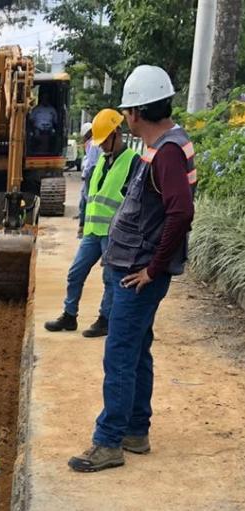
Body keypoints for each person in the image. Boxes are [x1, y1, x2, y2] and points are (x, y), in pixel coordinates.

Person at [69, 65, 196, 472]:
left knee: (120, 354)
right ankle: (135, 431)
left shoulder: (169, 151)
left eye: (127, 111)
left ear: (137, 112)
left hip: (138, 275)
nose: (125, 117)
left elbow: (180, 212)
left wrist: (153, 268)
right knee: (137, 351)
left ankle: (108, 442)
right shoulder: (159, 147)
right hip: (132, 268)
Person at [45, 109, 140, 337]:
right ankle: (69, 315)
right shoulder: (103, 161)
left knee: (109, 279)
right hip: (92, 232)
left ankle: (105, 319)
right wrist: (82, 224)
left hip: (114, 234)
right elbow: (92, 195)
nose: (102, 145)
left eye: (105, 140)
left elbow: (133, 201)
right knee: (75, 272)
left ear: (117, 133)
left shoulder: (133, 162)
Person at [77, 122, 102, 220]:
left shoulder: (93, 143)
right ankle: (83, 217)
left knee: (87, 196)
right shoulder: (97, 141)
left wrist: (84, 174)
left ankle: (85, 219)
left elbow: (91, 161)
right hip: (97, 169)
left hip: (92, 171)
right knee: (85, 194)